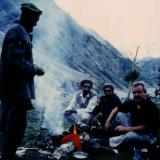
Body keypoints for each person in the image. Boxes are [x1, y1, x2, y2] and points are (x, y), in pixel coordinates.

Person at [0, 3, 44, 160]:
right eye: (35, 19)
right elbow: (14, 59)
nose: (36, 23)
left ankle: (7, 152)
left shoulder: (22, 32)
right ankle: (8, 155)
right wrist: (35, 68)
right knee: (17, 124)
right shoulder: (18, 32)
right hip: (15, 88)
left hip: (12, 87)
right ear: (27, 17)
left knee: (8, 122)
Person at [105, 82, 159, 159]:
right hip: (135, 129)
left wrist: (124, 129)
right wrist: (108, 122)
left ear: (145, 93)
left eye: (139, 92)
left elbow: (144, 127)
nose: (136, 94)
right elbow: (116, 108)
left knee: (130, 135)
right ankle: (126, 138)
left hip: (148, 135)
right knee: (120, 114)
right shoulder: (134, 102)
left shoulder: (151, 107)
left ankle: (108, 142)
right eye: (134, 92)